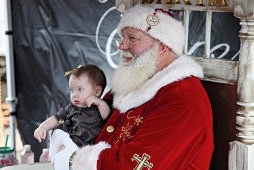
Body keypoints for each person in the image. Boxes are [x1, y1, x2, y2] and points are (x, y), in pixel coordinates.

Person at [52, 5, 214, 170]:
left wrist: (74, 159)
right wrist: (66, 140)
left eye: (132, 38)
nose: (122, 46)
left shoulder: (183, 98)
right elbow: (92, 117)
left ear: (162, 48)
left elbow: (139, 164)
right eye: (122, 37)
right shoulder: (135, 80)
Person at [33, 64, 111, 166]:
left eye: (79, 89)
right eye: (71, 90)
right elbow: (57, 119)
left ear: (97, 91)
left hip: (84, 150)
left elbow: (108, 116)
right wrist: (43, 127)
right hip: (71, 143)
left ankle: (58, 159)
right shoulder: (71, 108)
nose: (74, 94)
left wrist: (100, 103)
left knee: (62, 158)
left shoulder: (99, 108)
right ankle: (55, 158)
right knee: (56, 132)